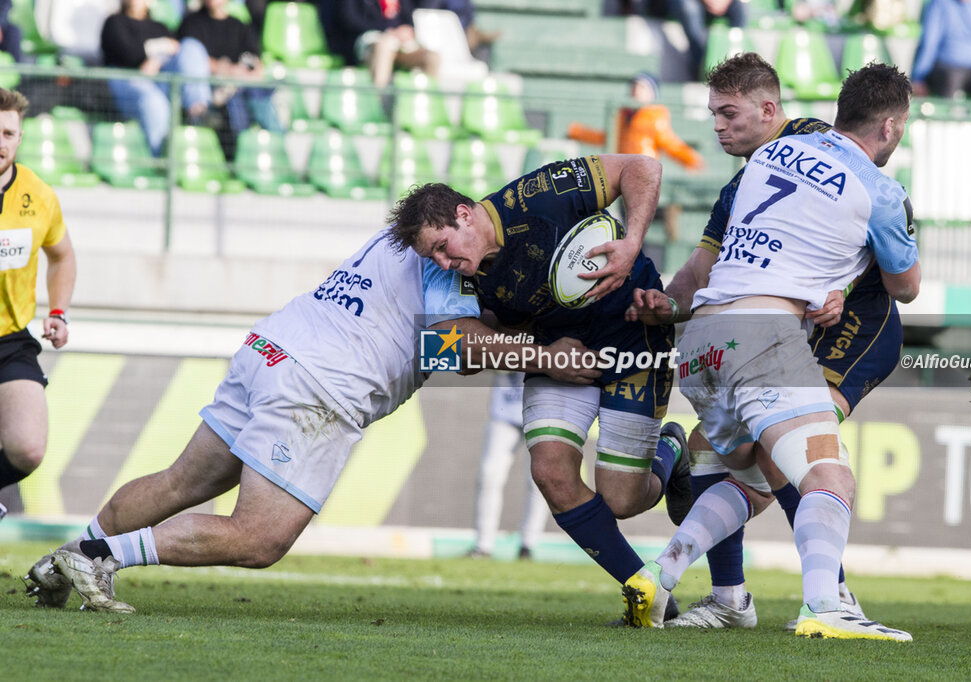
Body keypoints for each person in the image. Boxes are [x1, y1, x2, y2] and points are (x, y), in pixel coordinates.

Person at [23, 230, 599, 612]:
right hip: (318, 385)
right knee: (259, 538)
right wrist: (550, 353)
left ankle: (62, 563)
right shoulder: (454, 260)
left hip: (271, 348)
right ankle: (97, 557)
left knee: (180, 481)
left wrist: (510, 338)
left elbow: (447, 341)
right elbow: (456, 343)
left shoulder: (411, 235)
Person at [621, 62, 920, 641]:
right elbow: (906, 286)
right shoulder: (879, 190)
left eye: (725, 113)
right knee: (830, 479)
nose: (719, 126)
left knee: (755, 480)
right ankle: (826, 606)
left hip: (701, 341)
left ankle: (661, 574)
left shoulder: (765, 161)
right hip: (763, 335)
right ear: (890, 128)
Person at [386, 154, 690, 621]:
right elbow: (445, 348)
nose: (444, 263)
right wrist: (538, 354)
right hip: (554, 349)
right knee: (550, 471)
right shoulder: (454, 274)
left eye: (444, 247)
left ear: (464, 214)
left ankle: (671, 449)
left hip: (633, 330)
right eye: (433, 257)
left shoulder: (535, 196)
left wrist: (630, 243)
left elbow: (641, 167)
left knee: (623, 500)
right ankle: (651, 598)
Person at [0, 88, 76, 521]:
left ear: (20, 137)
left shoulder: (39, 195)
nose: (0, 142)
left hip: (10, 340)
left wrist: (59, 311)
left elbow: (63, 255)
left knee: (28, 448)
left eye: (8, 133)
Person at [567, 72, 704, 241]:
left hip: (641, 172)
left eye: (642, 88)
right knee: (627, 219)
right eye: (634, 87)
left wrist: (690, 159)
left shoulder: (653, 117)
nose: (636, 91)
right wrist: (578, 132)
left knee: (636, 223)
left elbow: (670, 143)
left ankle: (664, 214)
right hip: (622, 172)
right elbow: (607, 137)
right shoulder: (622, 114)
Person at [100, 0, 213, 156]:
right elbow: (129, 53)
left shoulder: (159, 27)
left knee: (191, 46)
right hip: (126, 82)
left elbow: (176, 48)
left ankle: (198, 111)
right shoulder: (114, 22)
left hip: (157, 80)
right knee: (154, 101)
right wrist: (160, 48)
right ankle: (161, 157)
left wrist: (156, 58)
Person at [178, 0, 283, 159]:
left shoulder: (239, 25)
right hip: (215, 91)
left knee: (260, 97)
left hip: (243, 86)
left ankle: (280, 152)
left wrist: (243, 74)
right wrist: (229, 70)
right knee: (236, 103)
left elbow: (256, 64)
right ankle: (239, 157)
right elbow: (193, 60)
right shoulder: (192, 23)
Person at [465, 372, 548, 560]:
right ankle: (483, 545)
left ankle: (528, 545)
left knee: (538, 481)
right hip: (504, 410)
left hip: (541, 411)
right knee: (489, 475)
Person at [326, 0, 440, 88]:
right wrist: (388, 31)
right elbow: (350, 20)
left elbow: (409, 20)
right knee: (385, 45)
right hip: (369, 40)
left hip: (399, 44)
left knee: (431, 57)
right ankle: (379, 103)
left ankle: (427, 105)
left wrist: (407, 30)